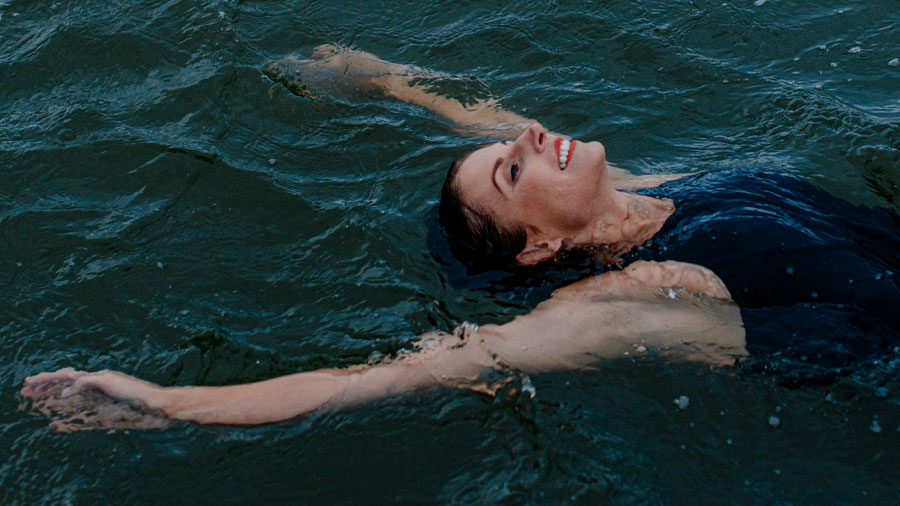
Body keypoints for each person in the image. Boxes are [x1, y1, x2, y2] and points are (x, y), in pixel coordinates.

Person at [20, 46, 900, 431]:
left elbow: (487, 117)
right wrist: (168, 404)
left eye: (511, 154)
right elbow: (394, 375)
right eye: (513, 173)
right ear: (537, 251)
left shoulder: (637, 194)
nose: (527, 142)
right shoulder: (623, 297)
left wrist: (387, 82)